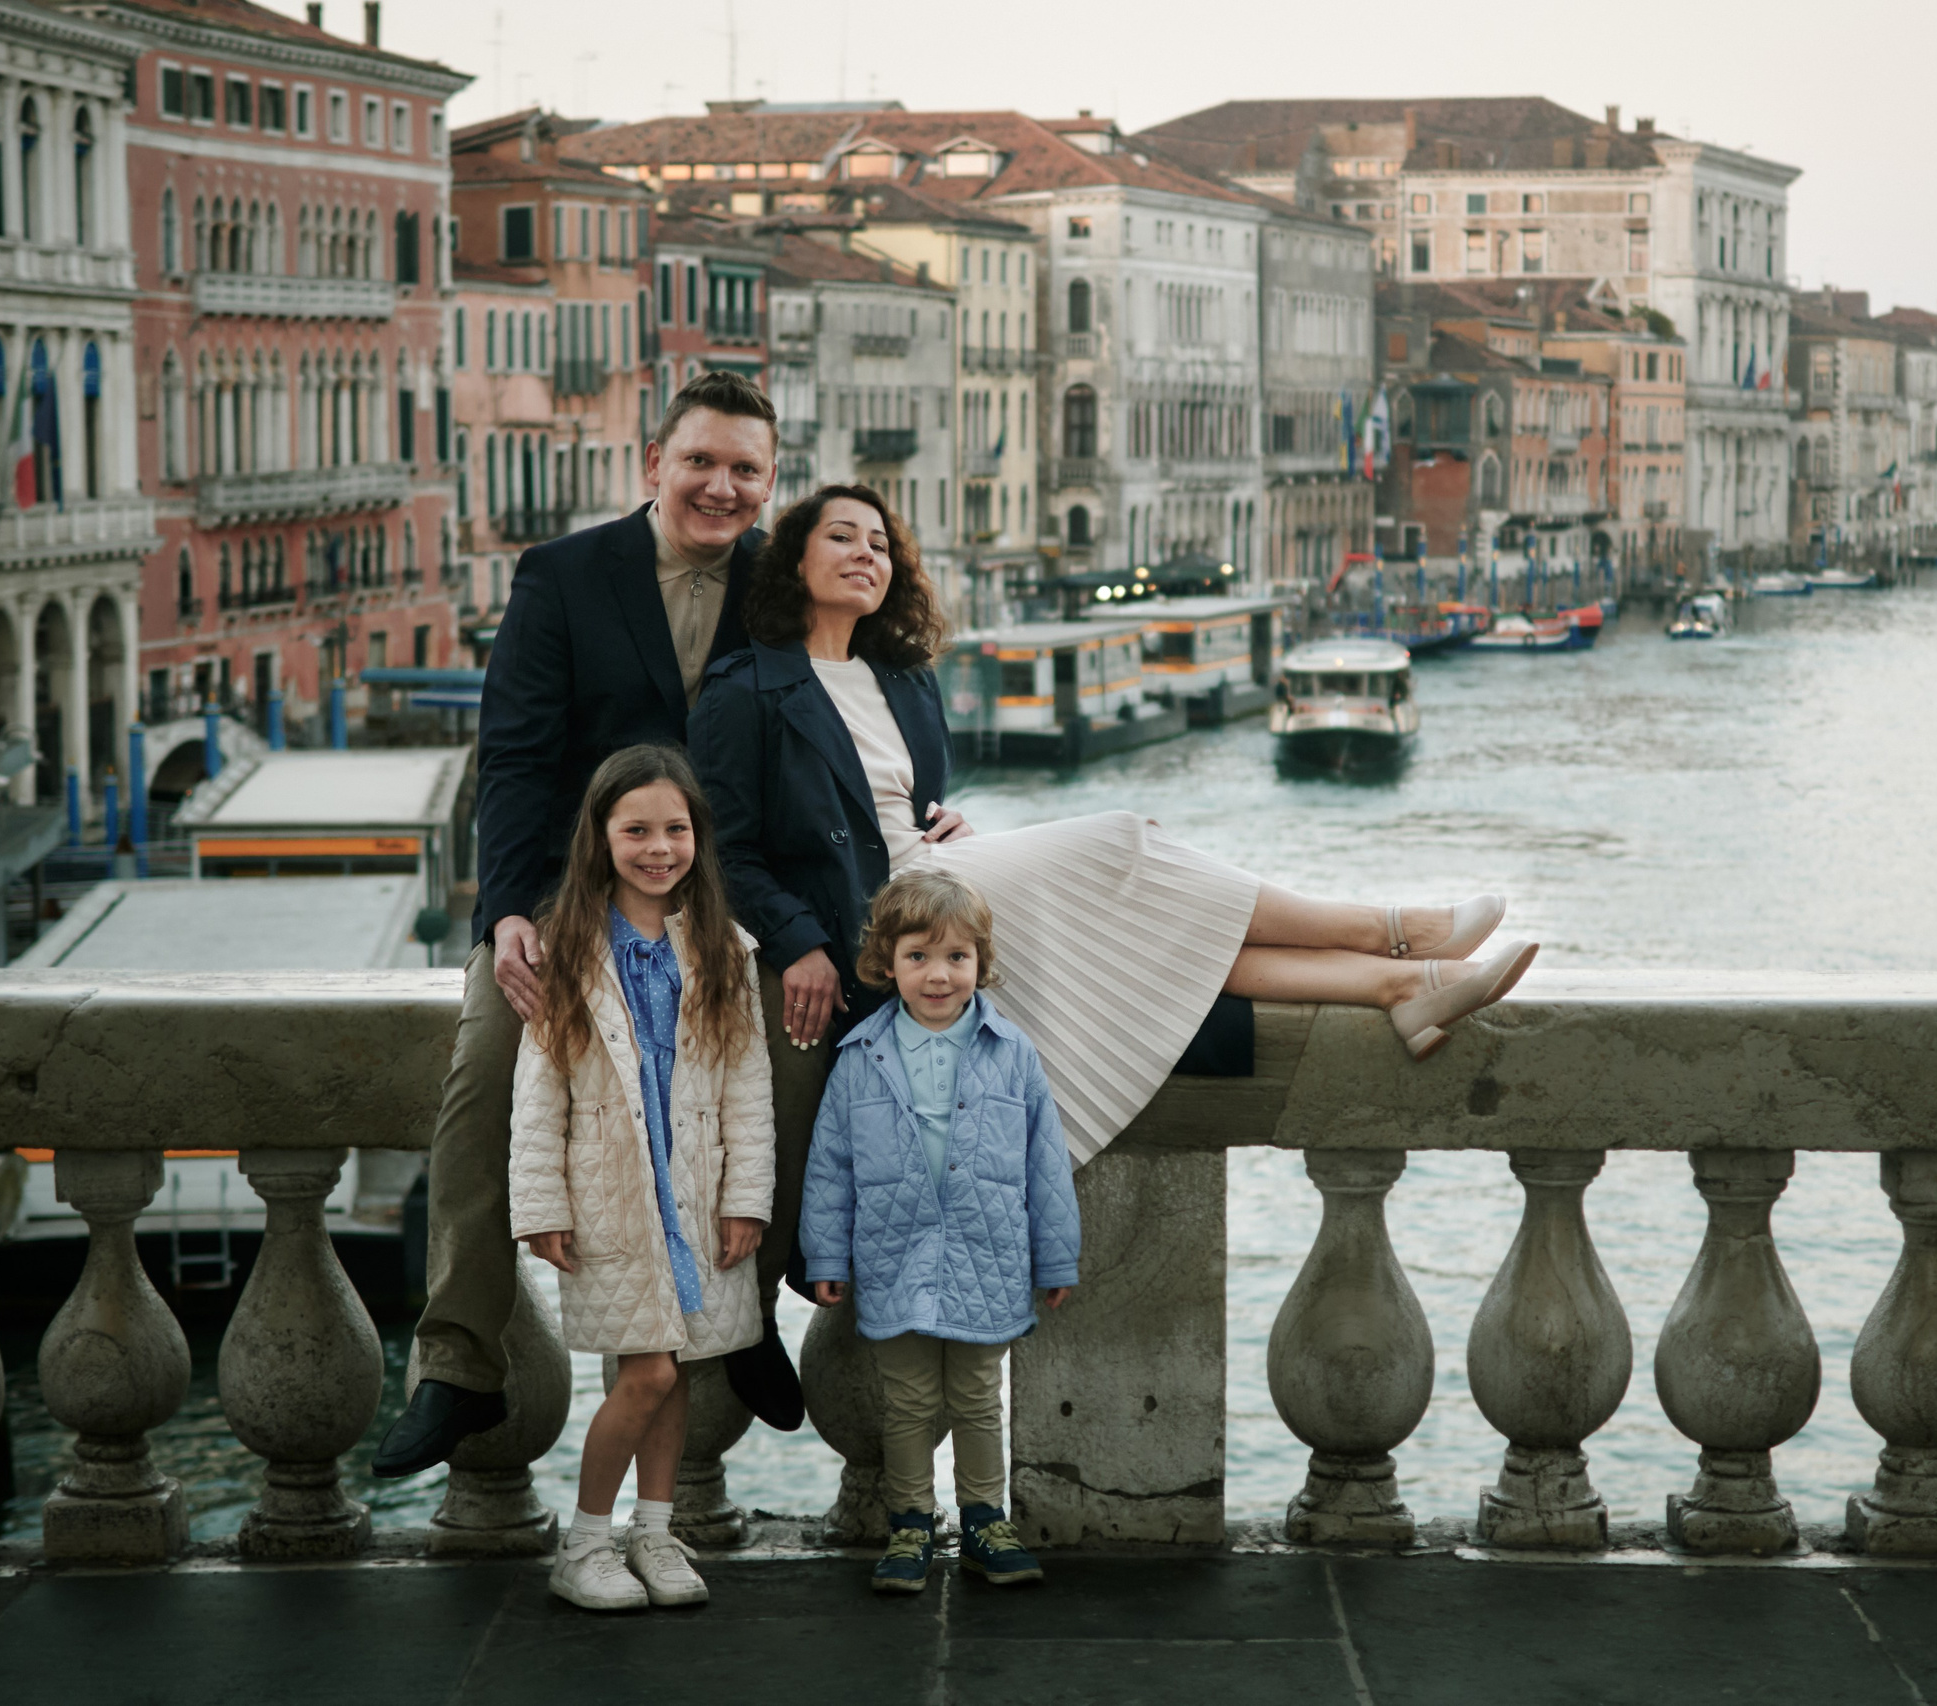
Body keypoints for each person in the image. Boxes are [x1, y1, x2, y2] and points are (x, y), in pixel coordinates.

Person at [688, 484, 1535, 1171]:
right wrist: (799, 940)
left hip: (942, 873)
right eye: (841, 538)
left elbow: (905, 807)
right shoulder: (746, 689)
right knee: (1125, 839)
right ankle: (1396, 930)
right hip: (877, 908)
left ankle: (1399, 987)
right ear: (794, 560)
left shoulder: (903, 678)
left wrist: (949, 821)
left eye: (878, 544)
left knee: (1171, 931)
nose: (865, 554)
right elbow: (727, 848)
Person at [377, 371, 805, 1482]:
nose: (722, 485)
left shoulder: (784, 585)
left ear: (771, 482)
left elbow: (857, 720)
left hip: (729, 901)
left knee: (799, 1065)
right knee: (483, 1076)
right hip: (571, 894)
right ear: (652, 462)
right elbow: (514, 757)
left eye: (746, 469)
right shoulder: (562, 574)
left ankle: (749, 1320)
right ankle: (458, 1361)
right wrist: (510, 911)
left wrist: (931, 804)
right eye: (701, 460)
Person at [508, 745, 774, 1611]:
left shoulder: (726, 951)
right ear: (601, 837)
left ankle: (654, 1534)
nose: (659, 847)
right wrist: (540, 1204)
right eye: (637, 830)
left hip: (695, 1187)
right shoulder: (568, 949)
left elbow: (749, 1086)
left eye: (675, 828)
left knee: (680, 1370)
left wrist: (747, 1198)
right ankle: (586, 1541)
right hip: (614, 1194)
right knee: (649, 1373)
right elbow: (539, 1091)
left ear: (698, 835)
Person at [799, 869, 1077, 1594]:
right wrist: (824, 1255)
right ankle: (910, 1525)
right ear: (885, 963)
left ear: (981, 963)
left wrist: (1056, 1257)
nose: (938, 974)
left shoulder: (1011, 1053)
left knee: (980, 1396)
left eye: (957, 956)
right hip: (896, 1253)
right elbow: (830, 1166)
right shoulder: (860, 1057)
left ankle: (987, 1520)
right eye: (918, 956)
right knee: (911, 1402)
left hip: (987, 1253)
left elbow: (1045, 1164)